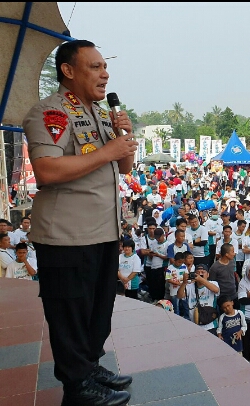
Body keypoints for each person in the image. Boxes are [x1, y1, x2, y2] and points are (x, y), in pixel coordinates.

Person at [23, 39, 138, 405]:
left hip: (103, 231)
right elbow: (46, 169)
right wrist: (108, 150)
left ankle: (89, 367)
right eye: (95, 67)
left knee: (98, 309)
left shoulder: (102, 115)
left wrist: (124, 140)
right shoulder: (50, 112)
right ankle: (76, 388)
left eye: (105, 68)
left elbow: (123, 168)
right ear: (68, 71)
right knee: (70, 313)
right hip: (66, 235)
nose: (104, 74)